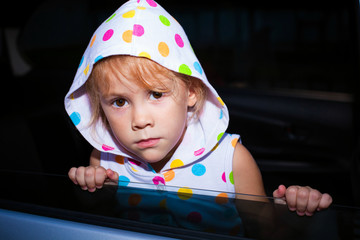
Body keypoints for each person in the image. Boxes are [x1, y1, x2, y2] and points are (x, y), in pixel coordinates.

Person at [66, 0, 332, 219]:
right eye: (119, 102)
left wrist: (297, 212)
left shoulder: (232, 159)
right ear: (99, 105)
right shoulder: (105, 162)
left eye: (156, 94)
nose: (140, 120)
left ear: (191, 92)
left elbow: (266, 231)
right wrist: (92, 191)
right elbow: (98, 220)